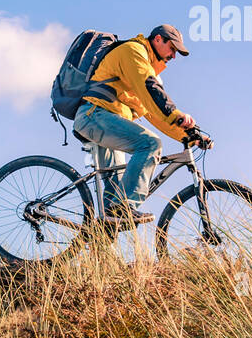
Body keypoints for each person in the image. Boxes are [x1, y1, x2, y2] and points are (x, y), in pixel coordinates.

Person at [72, 23, 202, 226]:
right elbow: (150, 90)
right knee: (150, 144)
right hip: (94, 114)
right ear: (158, 39)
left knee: (113, 204)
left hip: (105, 120)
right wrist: (176, 115)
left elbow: (152, 112)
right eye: (172, 48)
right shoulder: (134, 52)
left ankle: (101, 244)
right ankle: (124, 207)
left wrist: (188, 136)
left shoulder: (146, 65)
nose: (173, 56)